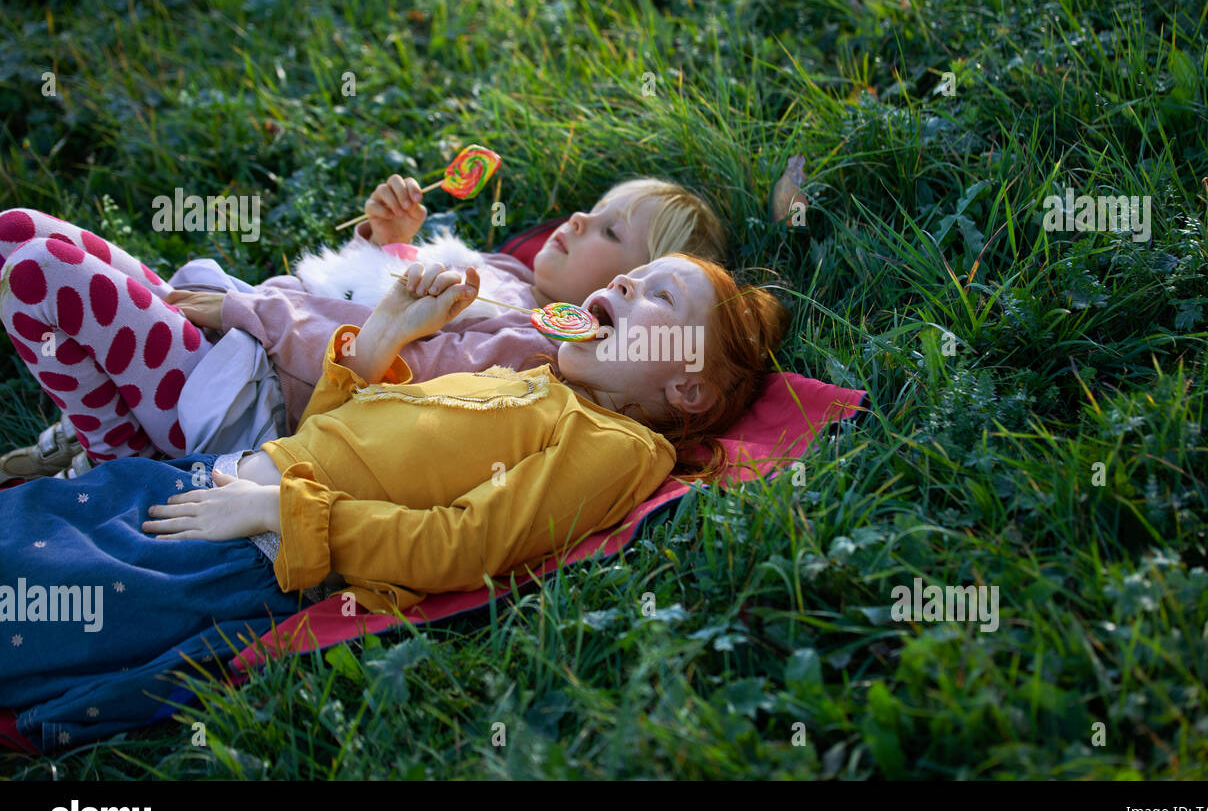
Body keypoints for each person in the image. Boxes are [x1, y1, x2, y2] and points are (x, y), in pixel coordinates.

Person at [0, 253, 788, 750]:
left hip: (243, 553)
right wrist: (377, 346)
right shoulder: (533, 376)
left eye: (658, 296)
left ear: (686, 384)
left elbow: (466, 548)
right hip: (208, 476)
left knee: (30, 597)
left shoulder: (617, 447)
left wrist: (282, 516)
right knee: (28, 526)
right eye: (634, 272)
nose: (620, 282)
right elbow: (338, 442)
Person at [0, 175, 727, 477]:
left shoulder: (530, 345)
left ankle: (116, 455)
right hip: (238, 337)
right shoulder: (502, 275)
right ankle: (114, 418)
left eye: (610, 233)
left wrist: (243, 309)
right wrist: (387, 241)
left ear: (616, 302)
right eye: (594, 206)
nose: (576, 220)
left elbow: (382, 368)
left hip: (240, 401)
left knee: (39, 277)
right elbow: (361, 298)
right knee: (18, 230)